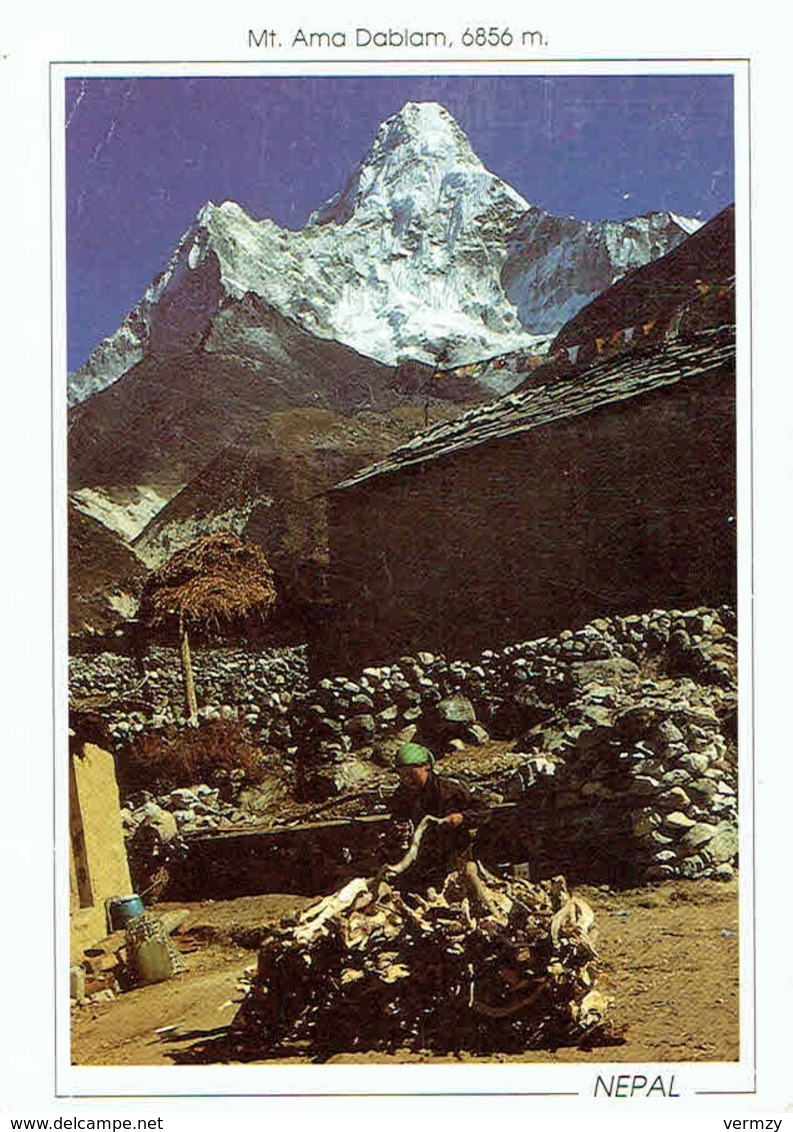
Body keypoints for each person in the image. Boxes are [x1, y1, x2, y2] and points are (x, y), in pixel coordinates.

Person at [387, 741, 489, 887]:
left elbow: (484, 810)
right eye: (402, 776)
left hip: (455, 852)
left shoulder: (450, 789)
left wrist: (462, 818)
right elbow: (397, 815)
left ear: (426, 766)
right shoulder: (403, 793)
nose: (407, 780)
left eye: (411, 774)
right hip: (423, 854)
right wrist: (398, 827)